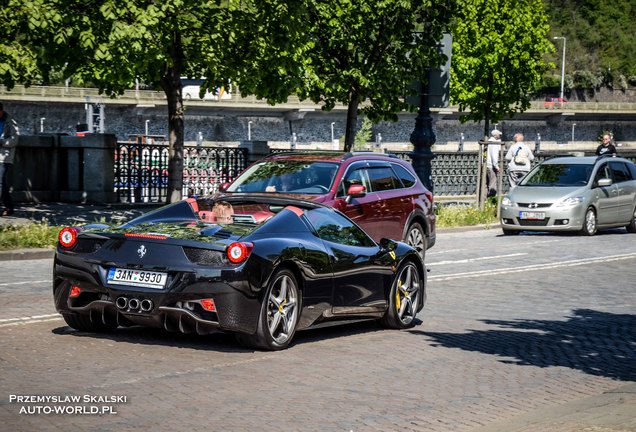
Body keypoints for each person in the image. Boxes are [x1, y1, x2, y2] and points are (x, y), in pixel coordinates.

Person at [0, 102, 18, 216]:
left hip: (4, 157)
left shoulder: (10, 122)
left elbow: (14, 140)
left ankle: (8, 207)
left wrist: (1, 142)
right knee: (2, 183)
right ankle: (9, 206)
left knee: (0, 182)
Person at [486, 128, 502, 197]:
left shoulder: (487, 142)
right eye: (499, 135)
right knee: (492, 184)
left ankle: (485, 200)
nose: (500, 136)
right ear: (496, 135)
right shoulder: (495, 143)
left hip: (486, 165)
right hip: (491, 166)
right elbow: (494, 156)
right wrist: (497, 167)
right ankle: (491, 200)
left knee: (486, 184)